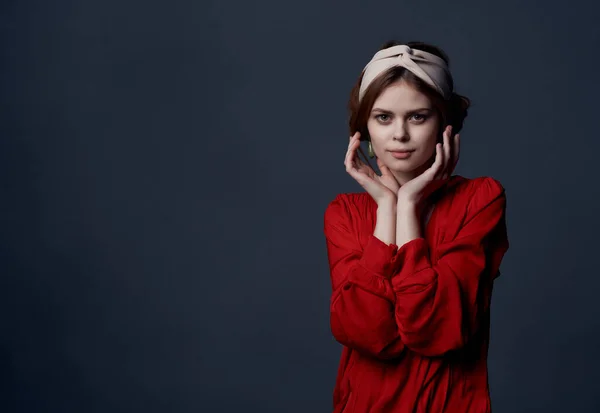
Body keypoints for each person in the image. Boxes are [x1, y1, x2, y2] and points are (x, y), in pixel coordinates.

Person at [323, 40, 510, 413]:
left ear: (445, 124)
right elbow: (367, 334)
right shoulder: (344, 212)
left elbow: (435, 332)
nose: (400, 135)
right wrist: (386, 210)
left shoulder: (480, 199)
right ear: (364, 130)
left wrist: (406, 205)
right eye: (383, 117)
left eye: (418, 116)